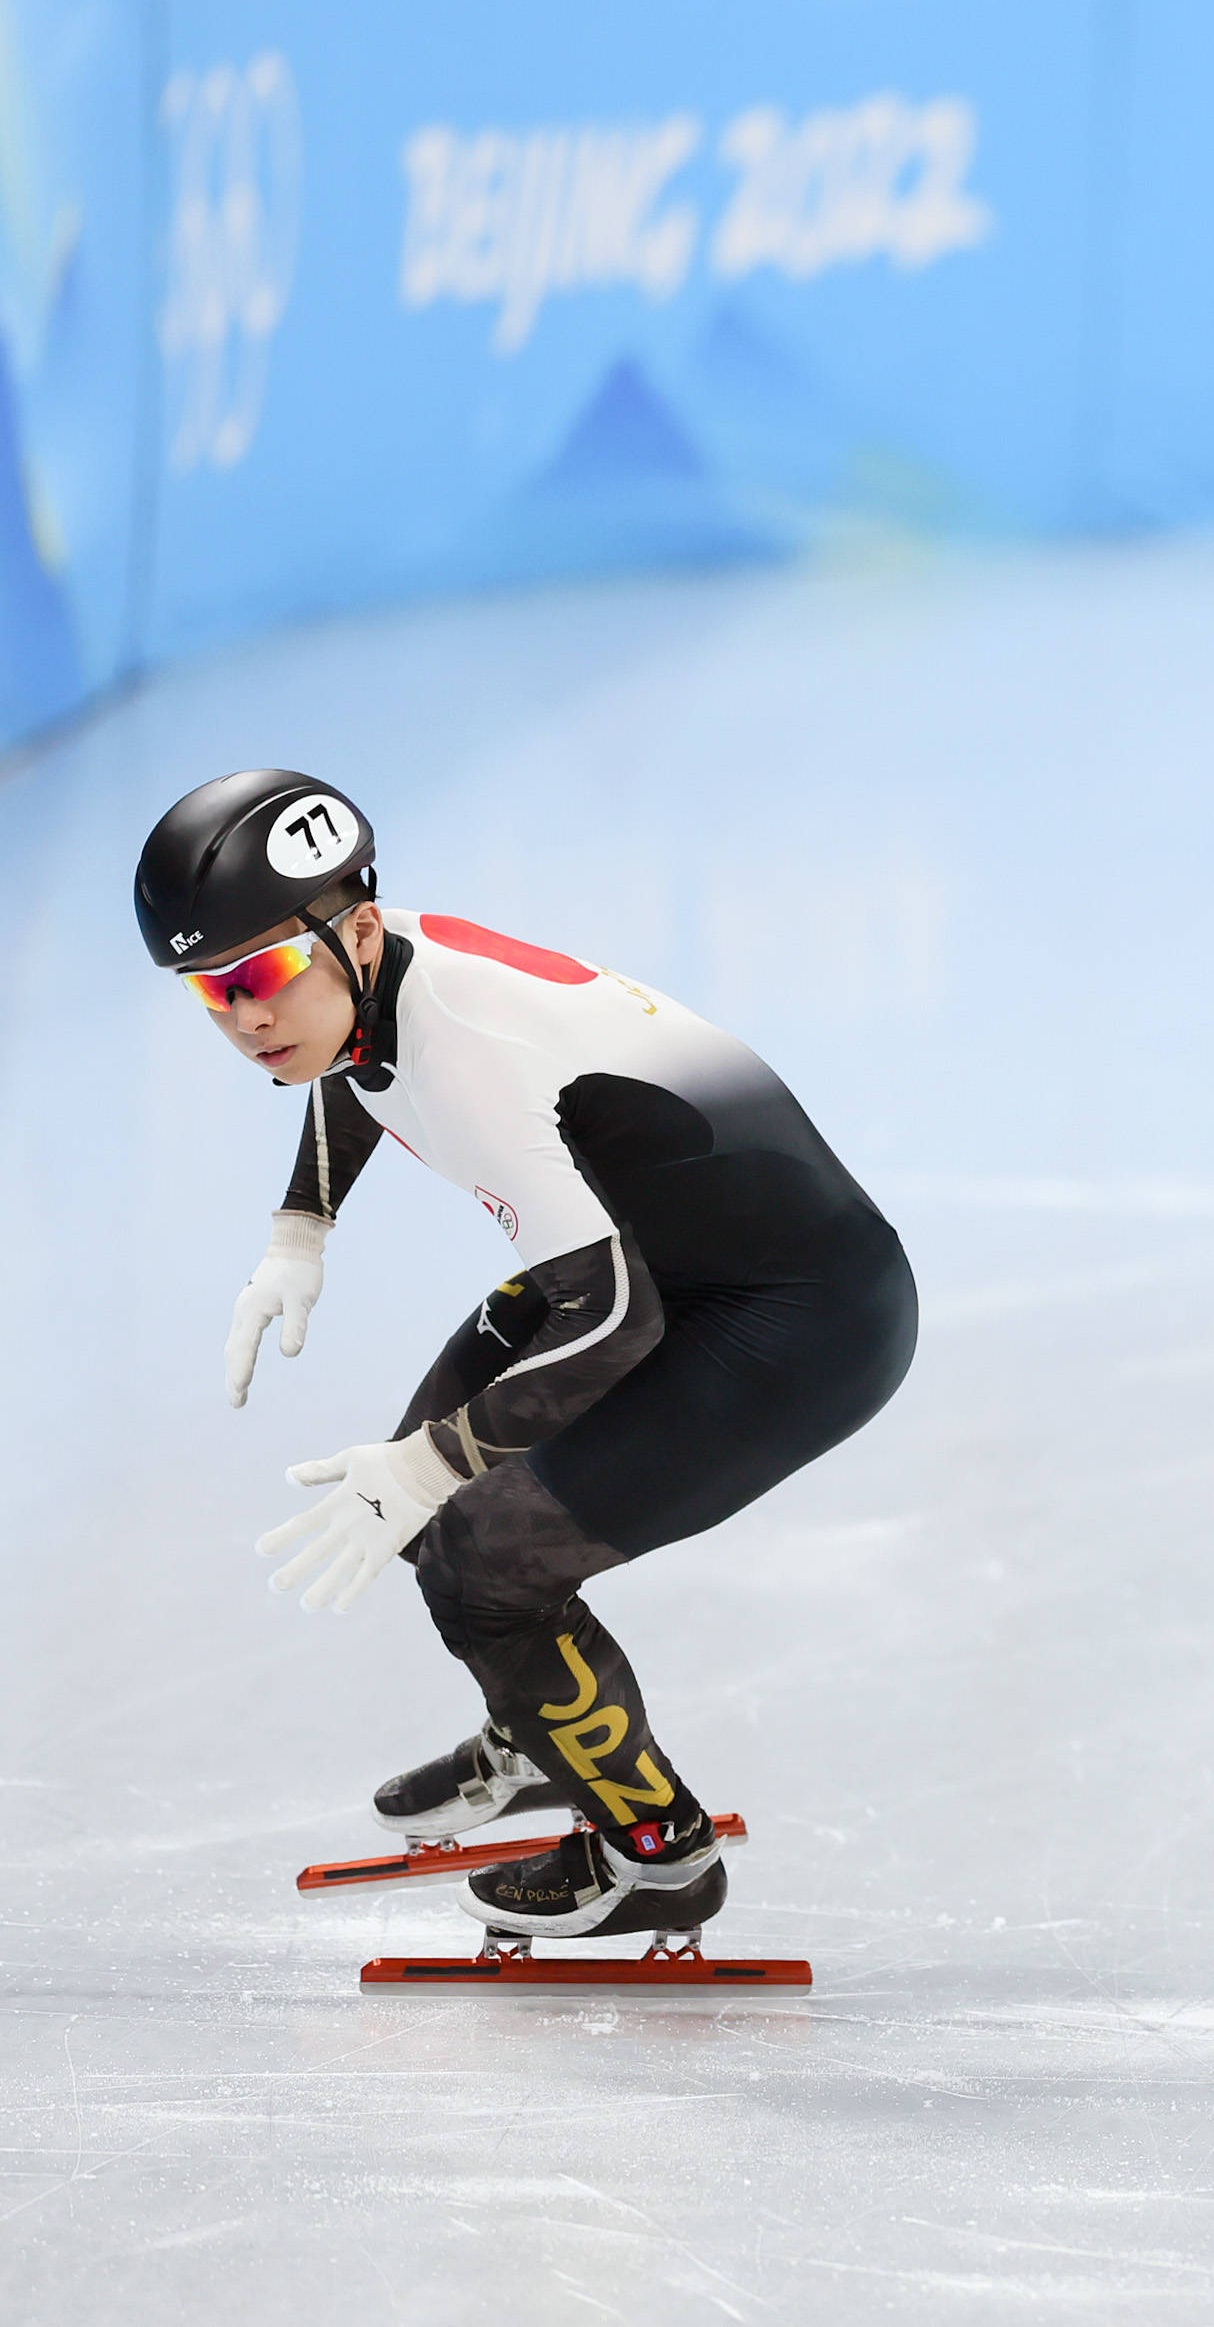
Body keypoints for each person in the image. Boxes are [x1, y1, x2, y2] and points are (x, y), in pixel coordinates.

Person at [141, 770, 917, 1943]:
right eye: (211, 990)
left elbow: (610, 1319)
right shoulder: (372, 966)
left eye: (259, 977)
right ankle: (546, 1723)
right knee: (414, 1496)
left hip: (794, 1324)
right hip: (659, 1270)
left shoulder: (469, 1043)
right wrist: (302, 1228)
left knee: (475, 1557)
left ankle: (658, 1855)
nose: (245, 1018)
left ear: (350, 931)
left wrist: (436, 1467)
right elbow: (349, 1062)